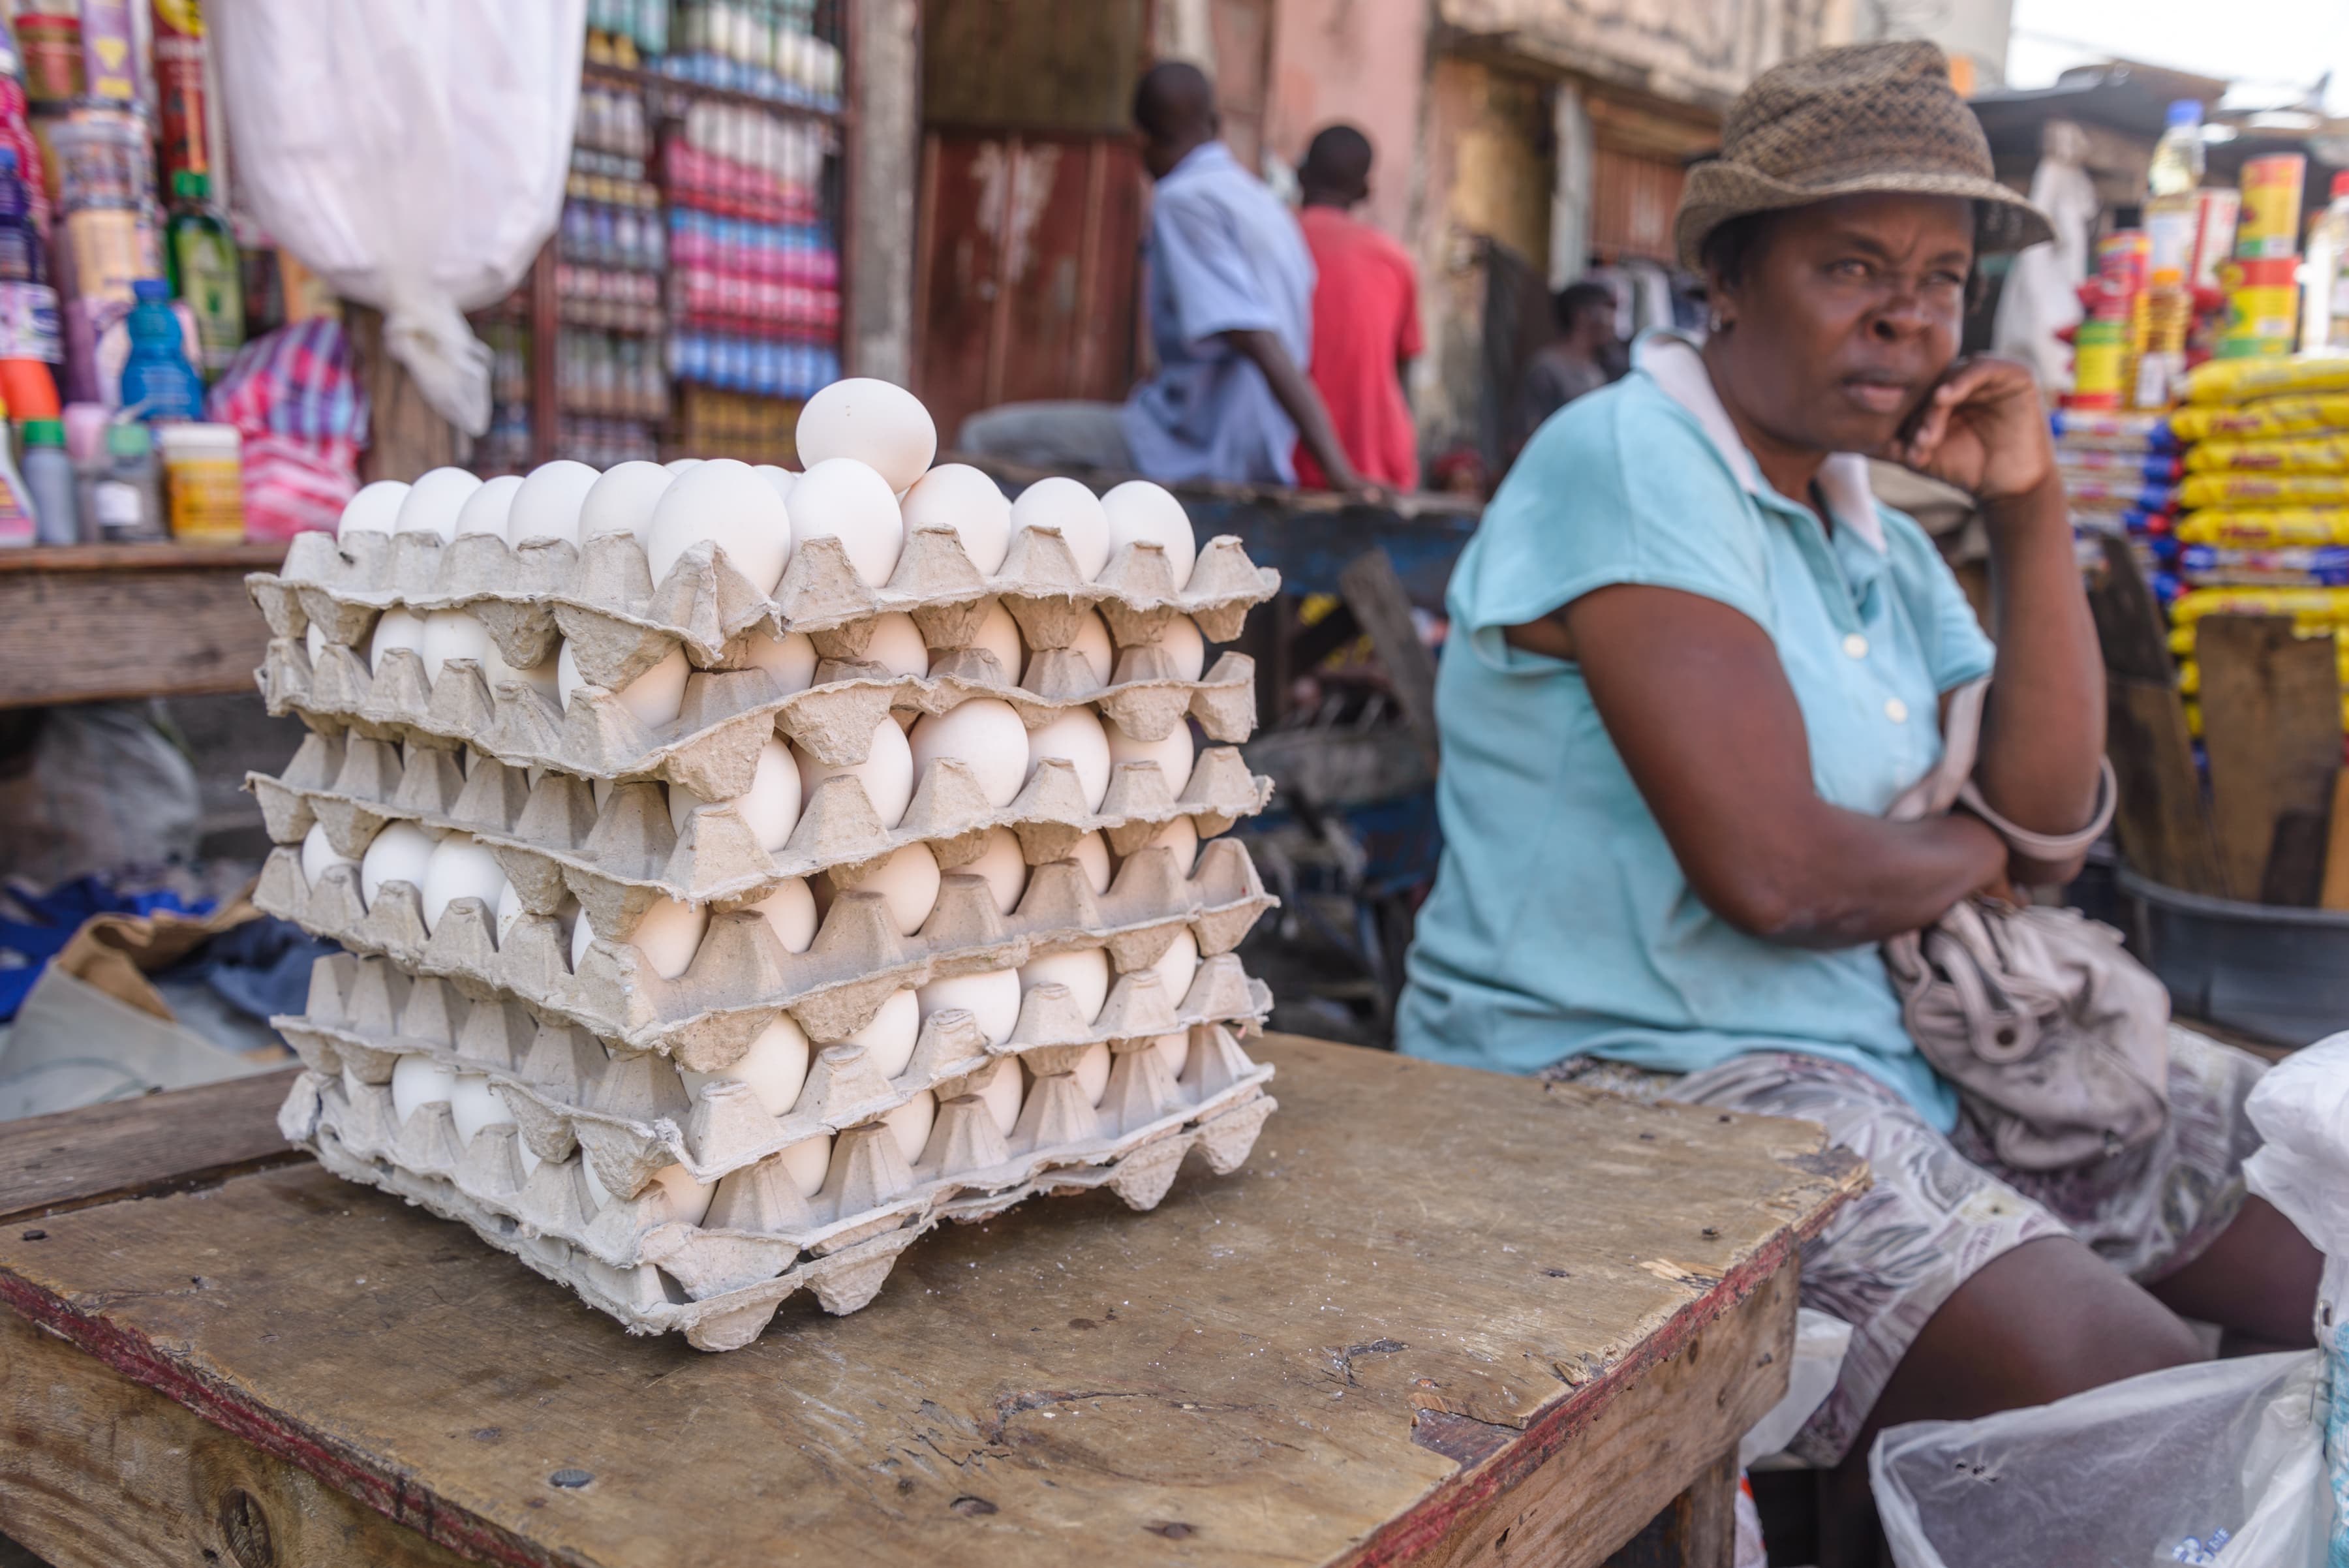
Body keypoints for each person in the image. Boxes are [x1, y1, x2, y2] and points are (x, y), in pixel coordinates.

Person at [1394, 41, 2318, 1564]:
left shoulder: (1863, 522)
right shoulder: (1633, 458)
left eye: (1944, 277)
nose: (1908, 309)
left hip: (1885, 1056)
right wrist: (1983, 864)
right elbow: (1780, 875)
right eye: (1852, 264)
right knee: (2125, 1386)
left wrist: (2028, 507)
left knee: (2315, 1211)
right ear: (1728, 283)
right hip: (1620, 1081)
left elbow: (2046, 813)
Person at [956, 61, 1374, 497]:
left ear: (1143, 141)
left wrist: (1338, 472)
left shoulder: (1181, 199)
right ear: (1215, 124)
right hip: (1256, 445)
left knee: (981, 438)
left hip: (1195, 449)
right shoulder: (1262, 201)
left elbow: (1258, 340)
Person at [1291, 123, 1421, 492]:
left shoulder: (1280, 239)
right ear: (1365, 190)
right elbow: (1403, 369)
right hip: (1379, 465)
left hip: (1294, 463)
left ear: (1300, 174)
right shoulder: (1396, 260)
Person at [1516, 279, 1618, 438]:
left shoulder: (1602, 366)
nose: (1613, 323)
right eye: (1608, 311)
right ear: (1582, 316)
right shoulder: (1547, 369)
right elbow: (1528, 433)